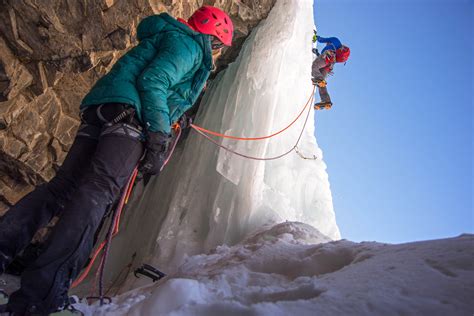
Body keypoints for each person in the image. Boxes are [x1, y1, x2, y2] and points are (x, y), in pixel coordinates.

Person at [0, 5, 233, 315]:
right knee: (96, 195)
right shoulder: (190, 45)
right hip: (129, 123)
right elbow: (155, 81)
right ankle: (41, 295)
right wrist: (159, 135)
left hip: (103, 110)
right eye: (217, 46)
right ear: (212, 38)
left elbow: (153, 79)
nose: (215, 53)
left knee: (60, 189)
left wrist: (172, 119)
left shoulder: (169, 34)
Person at [311, 35, 350, 110]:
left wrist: (315, 36)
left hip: (327, 57)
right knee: (321, 83)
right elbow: (325, 62)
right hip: (329, 66)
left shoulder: (335, 40)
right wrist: (317, 54)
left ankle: (320, 80)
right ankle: (326, 101)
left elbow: (321, 39)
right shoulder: (338, 52)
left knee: (314, 67)